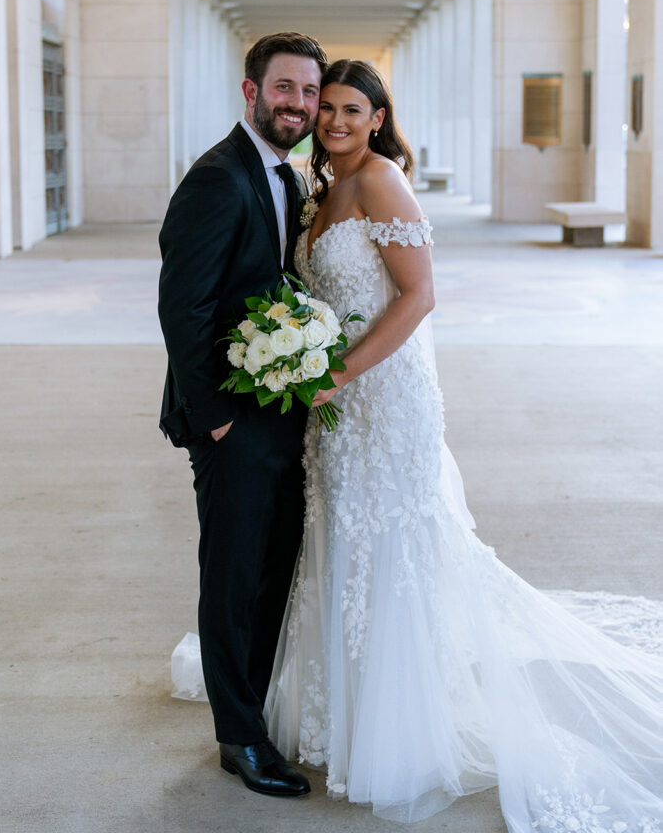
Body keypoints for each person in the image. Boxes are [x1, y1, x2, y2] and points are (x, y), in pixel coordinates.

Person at [263, 60, 663, 827]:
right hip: (336, 404)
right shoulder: (319, 190)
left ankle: (395, 725)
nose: (336, 122)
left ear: (377, 118)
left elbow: (419, 296)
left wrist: (335, 375)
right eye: (328, 110)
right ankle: (339, 708)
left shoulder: (380, 180)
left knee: (386, 543)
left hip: (382, 396)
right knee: (341, 537)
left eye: (353, 109)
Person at [158, 32, 328, 797]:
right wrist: (217, 418)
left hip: (277, 410)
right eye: (284, 88)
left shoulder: (285, 176)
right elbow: (182, 307)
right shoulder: (216, 179)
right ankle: (238, 740)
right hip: (233, 418)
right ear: (250, 91)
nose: (297, 104)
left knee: (270, 570)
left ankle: (252, 714)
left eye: (308, 92)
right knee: (232, 578)